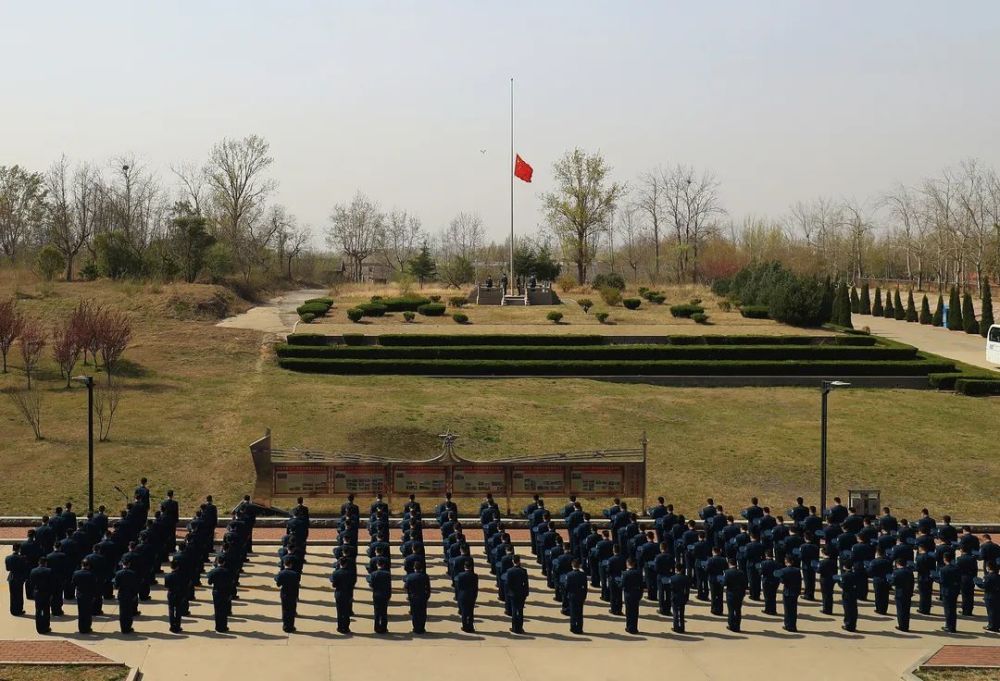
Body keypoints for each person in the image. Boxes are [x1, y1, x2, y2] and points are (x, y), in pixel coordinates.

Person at [934, 552, 962, 633]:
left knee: (948, 610)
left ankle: (950, 627)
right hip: (955, 590)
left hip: (947, 591)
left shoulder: (943, 569)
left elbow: (942, 581)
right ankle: (952, 626)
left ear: (945, 559)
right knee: (953, 609)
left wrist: (935, 579)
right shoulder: (957, 568)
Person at [206, 557, 235, 633]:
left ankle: (218, 626)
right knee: (224, 610)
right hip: (225, 591)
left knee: (217, 609)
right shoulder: (228, 571)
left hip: (216, 591)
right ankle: (224, 626)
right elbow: (231, 583)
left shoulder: (214, 571)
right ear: (224, 562)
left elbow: (209, 582)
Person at [502, 555, 529, 633]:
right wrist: (526, 593)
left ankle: (514, 628)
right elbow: (526, 583)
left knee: (514, 611)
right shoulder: (524, 571)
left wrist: (507, 593)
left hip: (513, 594)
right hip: (521, 593)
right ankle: (520, 628)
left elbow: (507, 584)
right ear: (519, 561)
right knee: (520, 611)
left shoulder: (509, 571)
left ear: (513, 561)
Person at [886, 557, 915, 632]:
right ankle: (906, 625)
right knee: (906, 611)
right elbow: (912, 583)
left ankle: (902, 626)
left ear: (897, 564)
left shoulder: (896, 572)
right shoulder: (910, 571)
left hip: (900, 593)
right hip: (908, 593)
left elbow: (893, 582)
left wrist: (889, 580)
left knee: (900, 610)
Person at [719, 558, 748, 632]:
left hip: (731, 594)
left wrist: (721, 581)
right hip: (739, 594)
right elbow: (745, 584)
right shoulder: (741, 572)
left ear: (729, 564)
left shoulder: (727, 572)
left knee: (731, 610)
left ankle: (731, 625)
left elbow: (724, 583)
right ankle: (737, 626)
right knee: (738, 610)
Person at [775, 556, 802, 632]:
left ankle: (788, 625)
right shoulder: (797, 570)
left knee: (787, 610)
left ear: (786, 561)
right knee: (794, 610)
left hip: (787, 592)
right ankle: (793, 625)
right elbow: (799, 581)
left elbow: (782, 581)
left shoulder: (783, 570)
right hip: (795, 592)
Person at [561, 559, 588, 635]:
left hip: (572, 596)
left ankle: (573, 627)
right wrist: (584, 596)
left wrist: (566, 595)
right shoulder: (583, 575)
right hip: (580, 595)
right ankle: (579, 628)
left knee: (573, 612)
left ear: (572, 566)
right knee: (580, 612)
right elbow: (585, 587)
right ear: (579, 566)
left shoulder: (569, 575)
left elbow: (566, 586)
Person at [113, 558, 141, 634]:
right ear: (129, 564)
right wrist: (135, 594)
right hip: (130, 594)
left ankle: (123, 628)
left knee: (122, 612)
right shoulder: (133, 573)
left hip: (122, 594)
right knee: (129, 612)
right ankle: (128, 627)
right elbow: (136, 585)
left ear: (122, 564)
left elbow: (116, 586)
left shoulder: (118, 573)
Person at [833, 560, 862, 632]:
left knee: (847, 609)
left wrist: (838, 581)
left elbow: (842, 585)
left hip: (847, 594)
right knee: (854, 609)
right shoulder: (855, 574)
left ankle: (848, 625)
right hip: (854, 593)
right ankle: (853, 624)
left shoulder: (844, 575)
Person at [404, 561, 431, 634]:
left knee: (415, 613)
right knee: (422, 613)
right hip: (422, 596)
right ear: (421, 568)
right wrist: (427, 596)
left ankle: (415, 628)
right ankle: (422, 628)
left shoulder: (410, 576)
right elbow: (428, 588)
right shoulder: (425, 576)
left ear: (414, 568)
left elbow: (406, 586)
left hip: (413, 597)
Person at [330, 557, 356, 634]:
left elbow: (334, 585)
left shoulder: (336, 573)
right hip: (347, 593)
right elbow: (352, 584)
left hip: (339, 593)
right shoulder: (350, 573)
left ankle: (340, 627)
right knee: (346, 611)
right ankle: (346, 627)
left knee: (339, 611)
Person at [619, 557, 644, 634]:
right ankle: (635, 627)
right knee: (635, 611)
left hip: (628, 594)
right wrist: (641, 594)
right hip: (636, 593)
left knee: (629, 611)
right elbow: (642, 584)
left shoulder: (625, 573)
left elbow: (622, 585)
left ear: (627, 564)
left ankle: (629, 627)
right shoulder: (639, 573)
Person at [276, 557, 301, 633]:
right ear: (291, 565)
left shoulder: (281, 573)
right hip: (292, 593)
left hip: (284, 593)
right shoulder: (295, 574)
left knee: (285, 609)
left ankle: (285, 625)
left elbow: (278, 584)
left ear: (284, 564)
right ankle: (291, 626)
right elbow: (297, 586)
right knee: (292, 610)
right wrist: (297, 596)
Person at [454, 561, 479, 633]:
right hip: (471, 595)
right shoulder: (475, 576)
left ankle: (465, 626)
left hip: (463, 595)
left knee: (464, 612)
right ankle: (470, 626)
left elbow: (458, 587)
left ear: (464, 567)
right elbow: (476, 587)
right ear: (471, 567)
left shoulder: (460, 575)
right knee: (471, 612)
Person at [367, 560, 392, 634]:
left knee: (377, 612)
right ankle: (383, 628)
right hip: (385, 594)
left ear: (377, 565)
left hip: (376, 594)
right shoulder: (387, 574)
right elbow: (389, 586)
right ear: (383, 565)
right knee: (384, 612)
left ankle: (377, 628)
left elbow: (371, 585)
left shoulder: (373, 574)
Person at [975, 561, 1000, 633]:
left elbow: (984, 586)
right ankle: (997, 625)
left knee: (991, 612)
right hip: (997, 596)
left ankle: (992, 626)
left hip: (990, 596)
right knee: (997, 611)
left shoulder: (988, 577)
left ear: (988, 567)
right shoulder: (998, 577)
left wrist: (976, 581)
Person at [5, 543, 28, 617]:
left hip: (11, 577)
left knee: (13, 595)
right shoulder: (22, 558)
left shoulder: (7, 558)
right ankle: (19, 610)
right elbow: (24, 568)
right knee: (19, 595)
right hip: (19, 577)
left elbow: (7, 569)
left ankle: (13, 610)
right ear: (19, 549)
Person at [164, 559, 186, 633]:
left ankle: (172, 626)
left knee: (171, 610)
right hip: (179, 593)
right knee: (178, 610)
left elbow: (166, 586)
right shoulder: (182, 576)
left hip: (171, 593)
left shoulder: (167, 576)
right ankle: (178, 626)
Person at [665, 568, 690, 633]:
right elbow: (687, 590)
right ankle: (682, 627)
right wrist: (686, 598)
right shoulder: (686, 578)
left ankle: (676, 627)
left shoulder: (672, 578)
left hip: (675, 597)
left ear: (676, 569)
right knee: (681, 613)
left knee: (675, 613)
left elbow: (670, 588)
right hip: (682, 596)